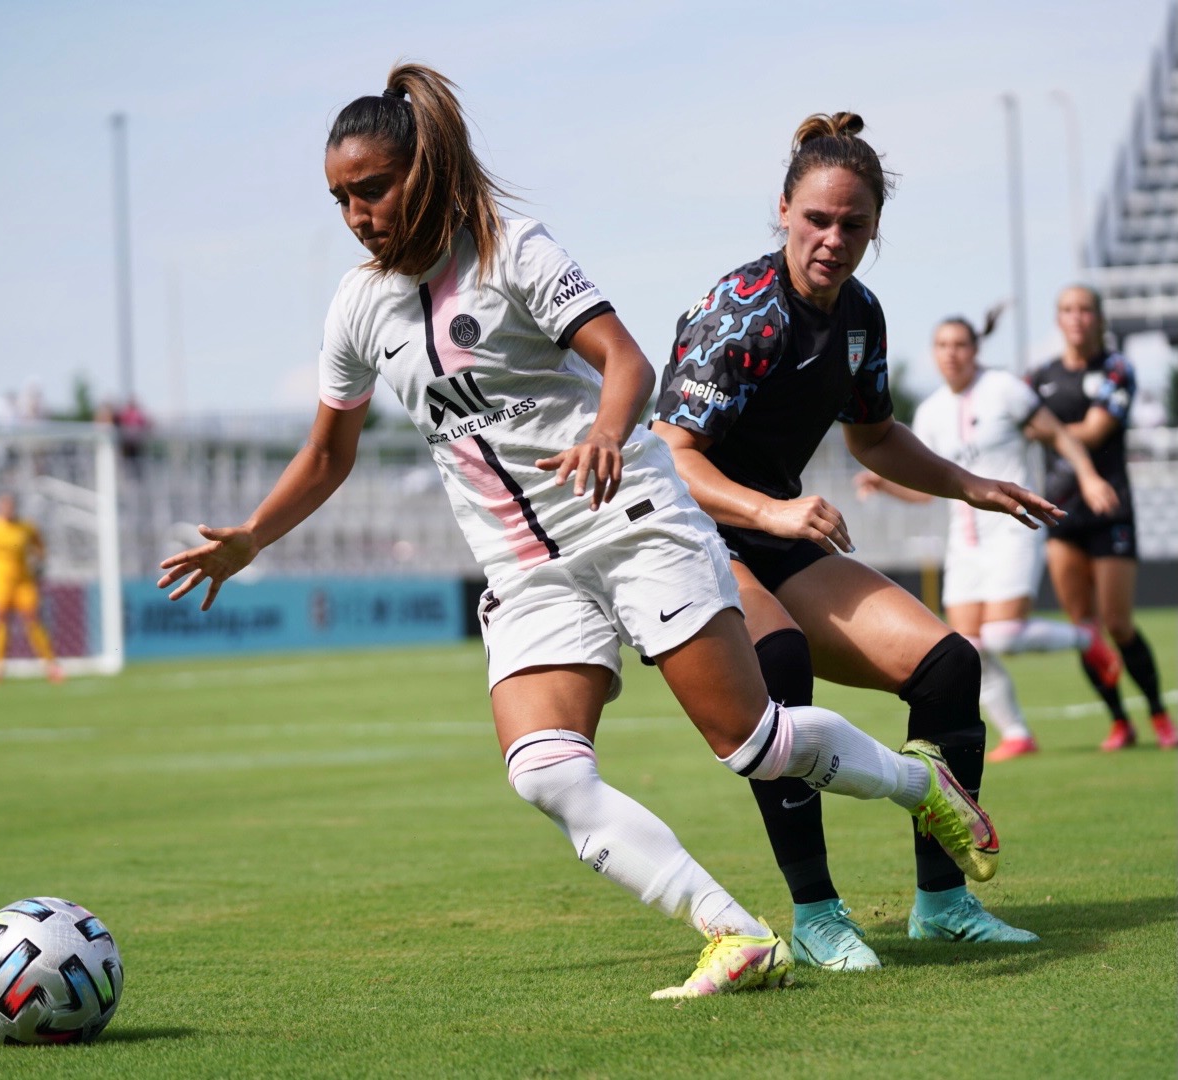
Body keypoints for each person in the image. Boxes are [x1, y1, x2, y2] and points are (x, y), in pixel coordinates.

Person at [158, 69, 1000, 1000]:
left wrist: (605, 428)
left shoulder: (509, 249)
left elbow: (626, 361)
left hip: (626, 516)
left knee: (750, 741)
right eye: (340, 198)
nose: (357, 214)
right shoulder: (357, 310)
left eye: (373, 189)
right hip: (524, 570)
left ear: (424, 170)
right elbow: (326, 455)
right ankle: (733, 933)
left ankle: (919, 786)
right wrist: (249, 539)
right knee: (544, 773)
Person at [651, 112, 1064, 969]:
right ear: (783, 212)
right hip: (687, 537)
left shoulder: (859, 317)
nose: (832, 239)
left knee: (949, 667)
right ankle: (816, 914)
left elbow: (873, 436)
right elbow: (670, 454)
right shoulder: (738, 313)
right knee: (781, 664)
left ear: (874, 230)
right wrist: (770, 513)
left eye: (853, 224)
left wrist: (971, 484)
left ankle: (942, 904)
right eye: (816, 219)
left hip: (773, 530)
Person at [854, 311, 1124, 762]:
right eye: (942, 346)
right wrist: (883, 483)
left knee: (1002, 634)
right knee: (967, 647)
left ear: (975, 349)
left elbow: (1060, 436)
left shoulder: (1004, 390)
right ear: (933, 354)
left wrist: (1089, 476)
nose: (951, 354)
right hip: (966, 544)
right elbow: (925, 493)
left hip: (1013, 530)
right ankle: (1017, 733)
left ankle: (1085, 638)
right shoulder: (931, 411)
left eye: (960, 345)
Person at [1027, 285, 1177, 751]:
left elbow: (1092, 431)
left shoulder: (1116, 368)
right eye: (1068, 309)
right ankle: (1118, 721)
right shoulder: (1040, 377)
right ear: (1058, 319)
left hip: (1110, 508)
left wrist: (1046, 430)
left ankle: (1157, 713)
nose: (1077, 318)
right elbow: (1022, 421)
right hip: (1060, 510)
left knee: (1117, 621)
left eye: (1085, 309)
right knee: (1083, 628)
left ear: (1099, 317)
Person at [0, 493, 64, 684]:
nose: (7, 510)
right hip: (0, 582)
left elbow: (40, 548)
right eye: (3, 506)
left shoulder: (27, 527)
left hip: (23, 582)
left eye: (10, 506)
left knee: (33, 619)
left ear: (14, 507)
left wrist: (40, 564)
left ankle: (50, 665)